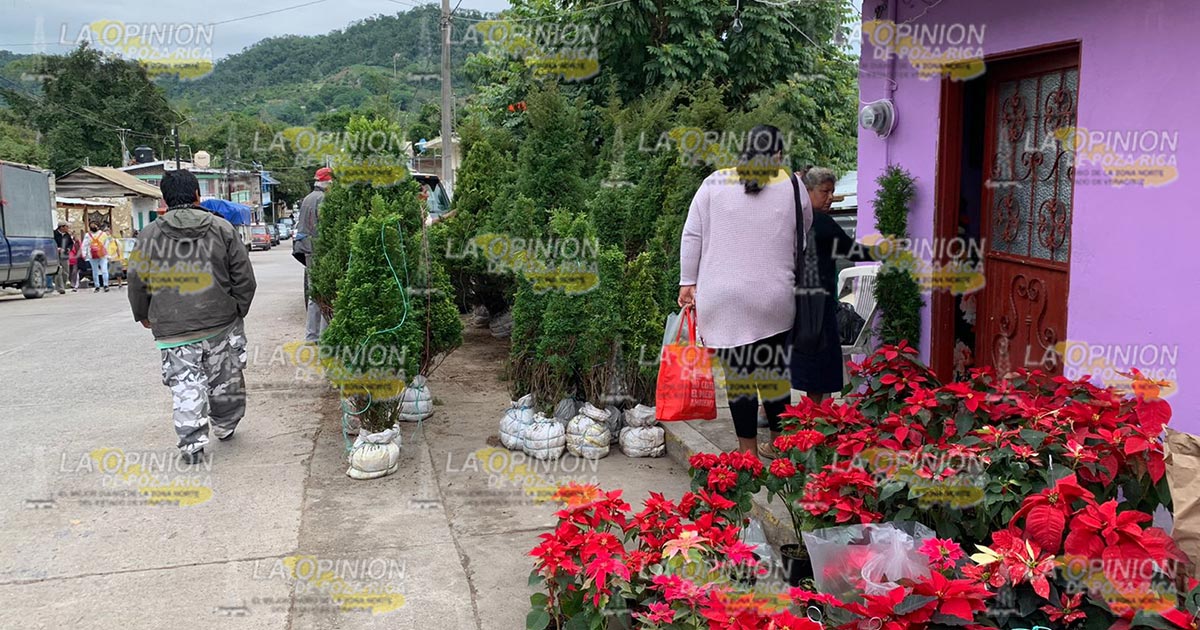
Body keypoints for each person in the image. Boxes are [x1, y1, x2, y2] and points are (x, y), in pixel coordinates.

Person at [678, 125, 809, 459]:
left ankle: (746, 454)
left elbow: (692, 235)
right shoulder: (793, 185)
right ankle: (779, 446)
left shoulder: (713, 183)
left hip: (723, 299)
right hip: (774, 298)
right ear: (777, 154)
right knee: (772, 372)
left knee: (739, 377)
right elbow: (803, 230)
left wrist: (687, 282)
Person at [128, 170, 257, 464]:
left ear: (164, 199)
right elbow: (244, 277)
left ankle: (192, 444)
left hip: (173, 328)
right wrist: (238, 309)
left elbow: (136, 280)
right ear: (197, 195)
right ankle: (225, 425)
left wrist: (143, 314)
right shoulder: (222, 229)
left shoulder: (148, 235)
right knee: (225, 378)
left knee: (186, 384)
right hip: (220, 322)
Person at [788, 167, 877, 404]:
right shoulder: (821, 222)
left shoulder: (791, 219)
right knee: (819, 363)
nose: (830, 197)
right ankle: (815, 414)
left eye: (832, 192)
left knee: (792, 359)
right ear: (807, 191)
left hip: (792, 299)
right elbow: (853, 251)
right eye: (824, 191)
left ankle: (771, 412)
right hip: (818, 303)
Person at [293, 167, 332, 343]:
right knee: (324, 294)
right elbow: (325, 226)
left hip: (307, 249)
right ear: (328, 182)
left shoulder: (308, 198)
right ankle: (323, 336)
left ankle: (311, 336)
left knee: (314, 294)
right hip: (318, 250)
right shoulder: (323, 199)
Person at [81, 223, 111, 292]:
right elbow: (107, 244)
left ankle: (98, 286)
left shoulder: (88, 235)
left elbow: (84, 245)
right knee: (103, 270)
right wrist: (107, 254)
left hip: (93, 255)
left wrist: (84, 254)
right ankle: (104, 285)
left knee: (96, 271)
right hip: (101, 255)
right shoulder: (103, 234)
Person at [51, 222, 74, 294]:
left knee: (66, 271)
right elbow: (50, 243)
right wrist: (57, 248)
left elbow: (71, 243)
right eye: (67, 226)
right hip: (55, 255)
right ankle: (60, 288)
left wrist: (69, 249)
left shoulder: (67, 235)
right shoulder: (53, 234)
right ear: (61, 227)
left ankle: (63, 285)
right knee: (58, 271)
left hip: (65, 255)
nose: (68, 228)